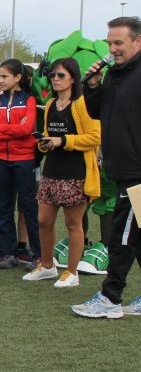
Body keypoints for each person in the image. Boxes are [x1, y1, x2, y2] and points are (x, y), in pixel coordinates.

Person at [72, 16, 141, 318]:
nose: (112, 48)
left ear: (138, 42)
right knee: (135, 236)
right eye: (110, 42)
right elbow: (98, 111)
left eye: (119, 43)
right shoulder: (113, 74)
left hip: (138, 174)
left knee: (121, 237)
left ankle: (110, 298)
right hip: (121, 168)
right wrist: (93, 86)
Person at [21, 58, 100, 287]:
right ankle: (47, 266)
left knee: (73, 223)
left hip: (76, 172)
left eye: (61, 75)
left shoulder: (83, 103)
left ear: (73, 78)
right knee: (43, 220)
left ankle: (72, 272)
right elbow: (48, 133)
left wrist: (62, 140)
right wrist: (44, 144)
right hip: (52, 170)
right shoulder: (50, 104)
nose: (55, 79)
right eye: (53, 75)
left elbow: (95, 137)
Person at [0, 59, 40, 269]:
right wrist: (14, 127)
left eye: (4, 76)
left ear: (17, 78)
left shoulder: (29, 100)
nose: (0, 80)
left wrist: (2, 128)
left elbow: (27, 131)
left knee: (29, 207)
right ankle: (8, 253)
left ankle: (37, 254)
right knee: (3, 207)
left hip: (24, 160)